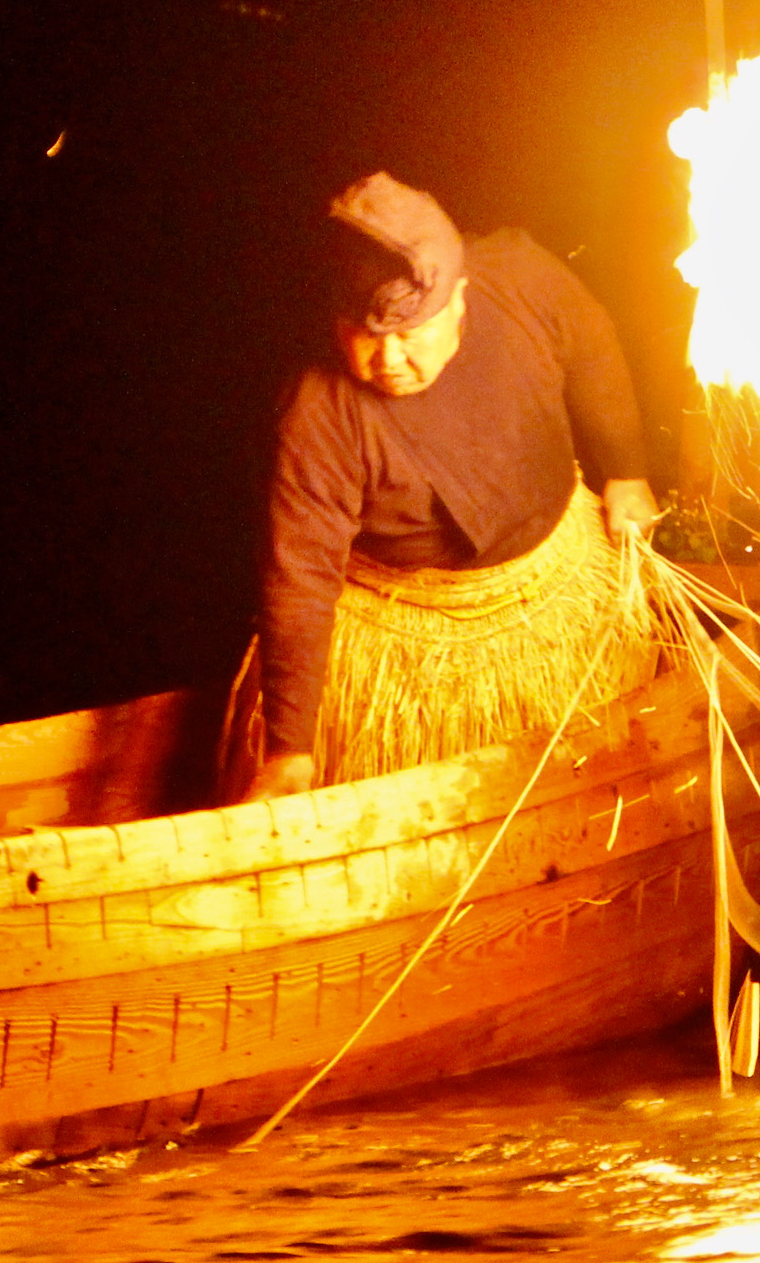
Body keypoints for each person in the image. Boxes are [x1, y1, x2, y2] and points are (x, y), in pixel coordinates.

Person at [247, 173, 662, 797]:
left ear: (459, 299)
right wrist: (290, 750)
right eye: (366, 336)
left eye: (410, 334)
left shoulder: (520, 278)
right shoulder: (317, 413)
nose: (388, 361)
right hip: (411, 633)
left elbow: (591, 344)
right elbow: (299, 574)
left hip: (558, 587)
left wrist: (627, 470)